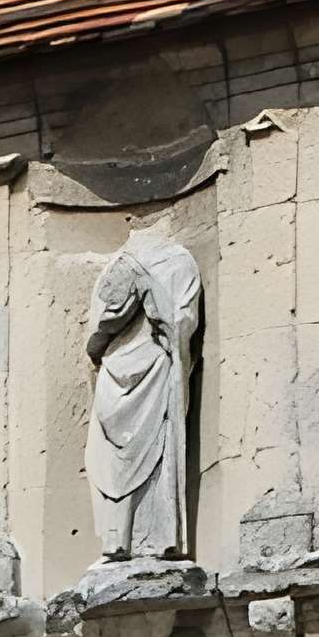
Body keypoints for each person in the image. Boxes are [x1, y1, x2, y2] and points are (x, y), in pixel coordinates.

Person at [84, 236, 202, 560]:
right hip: (115, 373)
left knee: (156, 451)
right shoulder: (117, 265)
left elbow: (181, 323)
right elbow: (95, 333)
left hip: (156, 370)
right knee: (107, 461)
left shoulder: (177, 261)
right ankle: (116, 538)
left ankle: (157, 538)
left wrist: (149, 290)